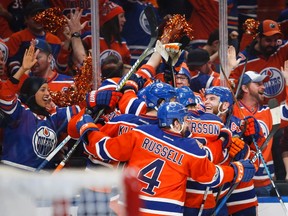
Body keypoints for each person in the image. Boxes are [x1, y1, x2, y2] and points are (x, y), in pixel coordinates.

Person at [68, 101, 256, 215]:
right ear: (175, 123)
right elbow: (212, 176)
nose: (188, 124)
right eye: (184, 120)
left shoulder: (140, 134)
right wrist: (238, 170)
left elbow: (103, 149)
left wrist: (89, 129)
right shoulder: (190, 148)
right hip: (164, 211)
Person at [0, 43, 81, 171]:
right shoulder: (19, 112)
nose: (48, 94)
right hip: (13, 176)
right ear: (32, 92)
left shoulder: (53, 117)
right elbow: (5, 94)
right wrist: (23, 69)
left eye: (48, 90)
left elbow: (81, 110)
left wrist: (82, 92)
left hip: (40, 181)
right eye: (43, 90)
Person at [229, 19, 288, 180]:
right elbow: (229, 91)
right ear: (258, 38)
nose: (272, 43)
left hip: (273, 111)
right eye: (268, 40)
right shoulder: (244, 61)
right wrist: (229, 71)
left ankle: (279, 179)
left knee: (279, 138)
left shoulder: (281, 50)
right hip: (256, 112)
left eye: (275, 39)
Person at [234, 69, 288, 196]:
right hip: (238, 182)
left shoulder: (270, 111)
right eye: (258, 84)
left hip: (265, 183)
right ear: (245, 88)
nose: (263, 87)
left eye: (263, 84)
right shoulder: (234, 110)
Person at [5, 2, 62, 76]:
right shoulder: (17, 38)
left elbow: (59, 67)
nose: (38, 18)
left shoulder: (55, 40)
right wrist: (23, 78)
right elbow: (12, 63)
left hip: (50, 80)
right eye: (34, 15)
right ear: (26, 19)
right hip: (24, 82)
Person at [83, 1, 131, 66]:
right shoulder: (89, 37)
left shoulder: (123, 43)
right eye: (121, 16)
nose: (124, 20)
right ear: (112, 19)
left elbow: (125, 69)